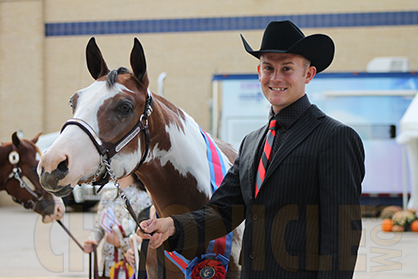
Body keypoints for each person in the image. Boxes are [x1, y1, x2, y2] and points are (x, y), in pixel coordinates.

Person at [137, 20, 365, 278]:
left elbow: (342, 236)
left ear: (308, 74)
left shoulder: (335, 138)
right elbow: (222, 213)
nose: (276, 78)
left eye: (287, 68)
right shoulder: (252, 143)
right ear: (259, 72)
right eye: (269, 68)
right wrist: (173, 226)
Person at [84, 174, 152, 279]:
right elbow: (98, 227)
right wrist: (92, 240)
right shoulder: (107, 196)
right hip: (106, 267)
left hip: (129, 267)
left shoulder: (144, 199)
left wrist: (120, 242)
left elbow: (146, 238)